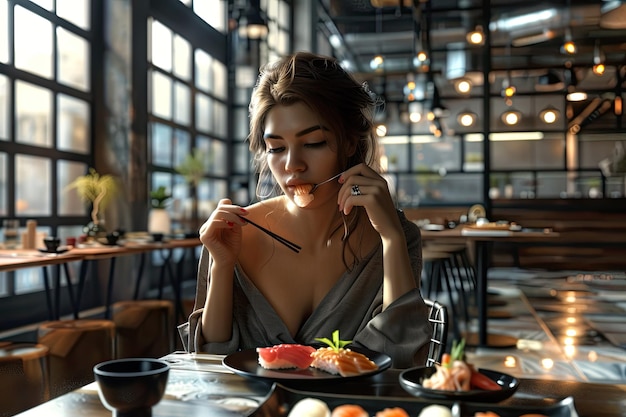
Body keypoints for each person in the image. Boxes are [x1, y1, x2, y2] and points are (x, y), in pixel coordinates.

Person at [179, 51, 432, 368]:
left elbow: (402, 362)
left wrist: (392, 238)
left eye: (313, 143)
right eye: (277, 148)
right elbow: (208, 362)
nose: (292, 166)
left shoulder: (395, 236)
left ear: (351, 143)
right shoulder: (233, 235)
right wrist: (222, 265)